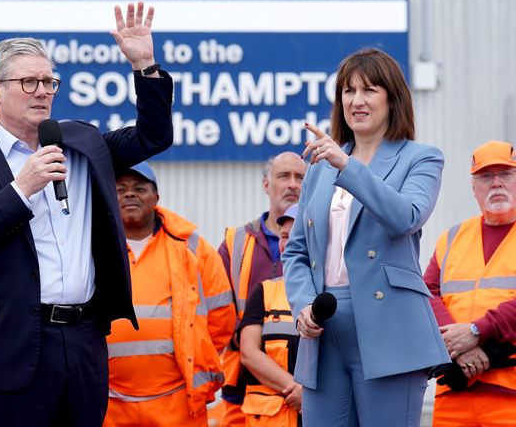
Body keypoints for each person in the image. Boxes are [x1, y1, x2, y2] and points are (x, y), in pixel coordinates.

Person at [0, 1, 174, 426]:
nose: (43, 91)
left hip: (83, 342)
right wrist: (21, 189)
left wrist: (145, 67)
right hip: (12, 349)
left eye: (49, 82)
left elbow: (154, 136)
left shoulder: (82, 141)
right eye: (29, 82)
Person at [282, 47, 449, 427]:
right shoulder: (319, 168)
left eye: (369, 90)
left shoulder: (421, 158)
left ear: (393, 99)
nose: (356, 101)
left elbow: (405, 216)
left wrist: (348, 166)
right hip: (323, 331)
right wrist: (303, 306)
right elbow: (296, 252)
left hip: (389, 328)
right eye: (348, 91)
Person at [105, 162, 235, 426]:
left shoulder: (195, 249)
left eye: (139, 188)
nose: (130, 194)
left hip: (179, 403)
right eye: (120, 189)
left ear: (156, 198)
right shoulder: (92, 248)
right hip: (107, 404)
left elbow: (222, 321)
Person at [424, 140, 516, 426]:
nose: (496, 183)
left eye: (506, 174)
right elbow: (424, 292)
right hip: (455, 390)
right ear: (473, 189)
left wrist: (477, 331)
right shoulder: (452, 238)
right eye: (486, 177)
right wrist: (457, 346)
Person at [216, 152, 306, 427]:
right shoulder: (236, 242)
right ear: (266, 185)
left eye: (300, 177)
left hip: (307, 390)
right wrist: (252, 349)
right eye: (284, 176)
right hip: (244, 385)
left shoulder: (327, 242)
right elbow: (216, 310)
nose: (292, 184)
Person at [238, 203, 302, 427]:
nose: (288, 243)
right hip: (271, 418)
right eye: (284, 236)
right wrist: (298, 389)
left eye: (298, 236)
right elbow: (248, 352)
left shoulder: (336, 295)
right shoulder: (264, 292)